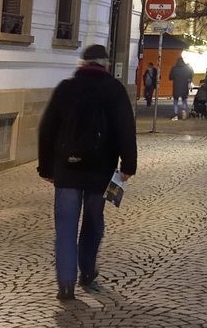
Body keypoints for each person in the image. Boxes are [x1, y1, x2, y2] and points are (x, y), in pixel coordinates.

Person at [37, 44, 136, 300]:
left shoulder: (65, 88)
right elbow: (125, 128)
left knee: (66, 225)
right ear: (104, 64)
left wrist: (46, 167)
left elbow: (47, 129)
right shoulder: (114, 89)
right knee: (93, 221)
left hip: (67, 170)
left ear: (82, 64)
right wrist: (128, 165)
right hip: (100, 170)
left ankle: (66, 282)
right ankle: (88, 269)